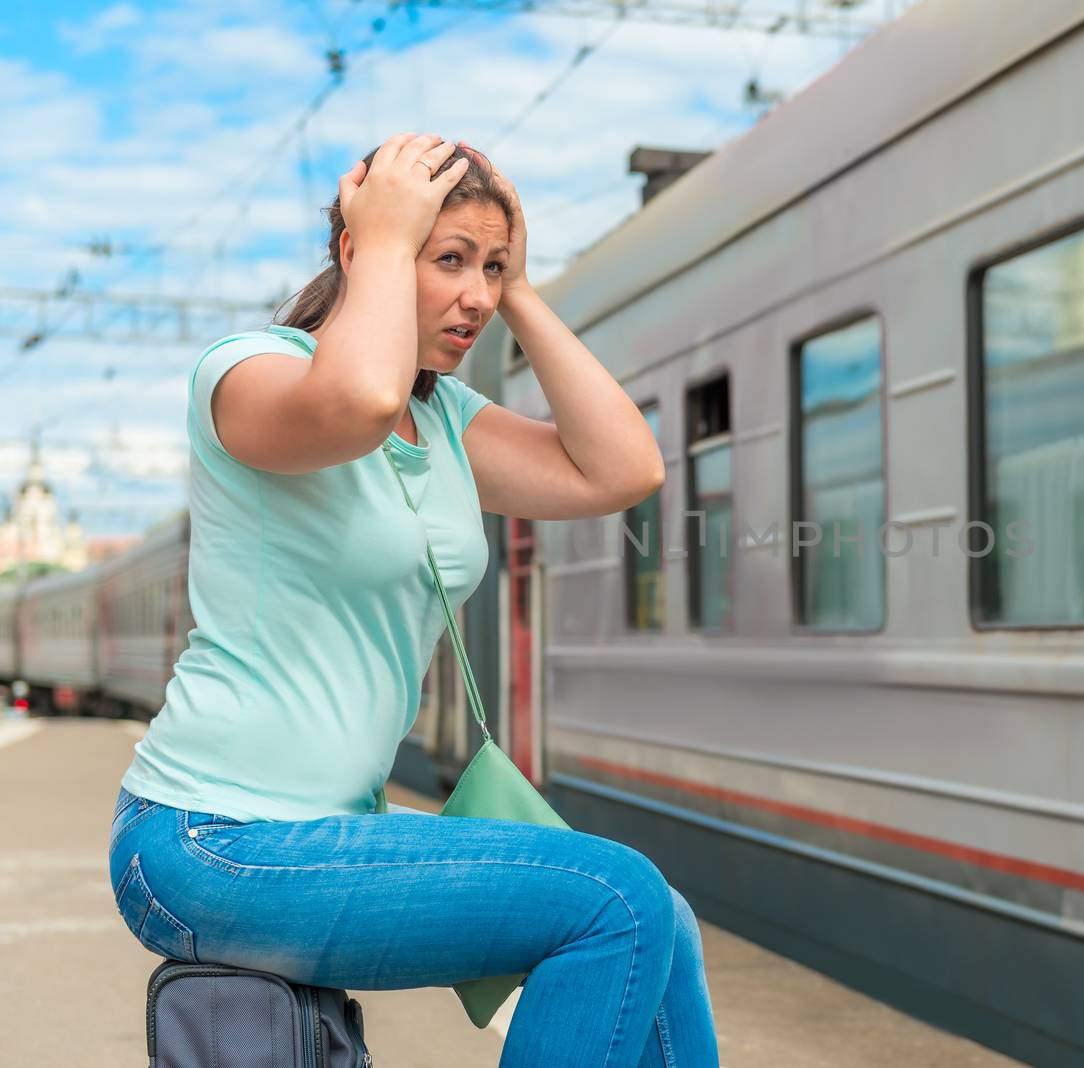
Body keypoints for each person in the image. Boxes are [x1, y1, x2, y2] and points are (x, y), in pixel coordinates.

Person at [107, 132, 718, 1067]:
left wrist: (513, 284)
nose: (474, 294)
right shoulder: (246, 373)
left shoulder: (446, 420)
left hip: (325, 834)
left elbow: (622, 468)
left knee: (660, 916)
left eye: (491, 267)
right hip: (206, 838)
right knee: (613, 901)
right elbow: (354, 398)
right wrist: (385, 242)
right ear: (362, 249)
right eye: (450, 261)